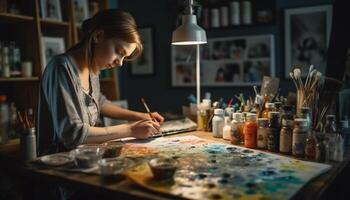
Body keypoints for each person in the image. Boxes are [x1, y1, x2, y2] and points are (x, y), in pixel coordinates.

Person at [37, 9, 164, 157]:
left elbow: (99, 102)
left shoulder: (93, 68)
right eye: (119, 52)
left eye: (124, 58)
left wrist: (141, 116)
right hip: (54, 164)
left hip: (83, 159)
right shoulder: (61, 68)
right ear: (98, 36)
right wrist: (131, 130)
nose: (120, 63)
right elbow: (72, 134)